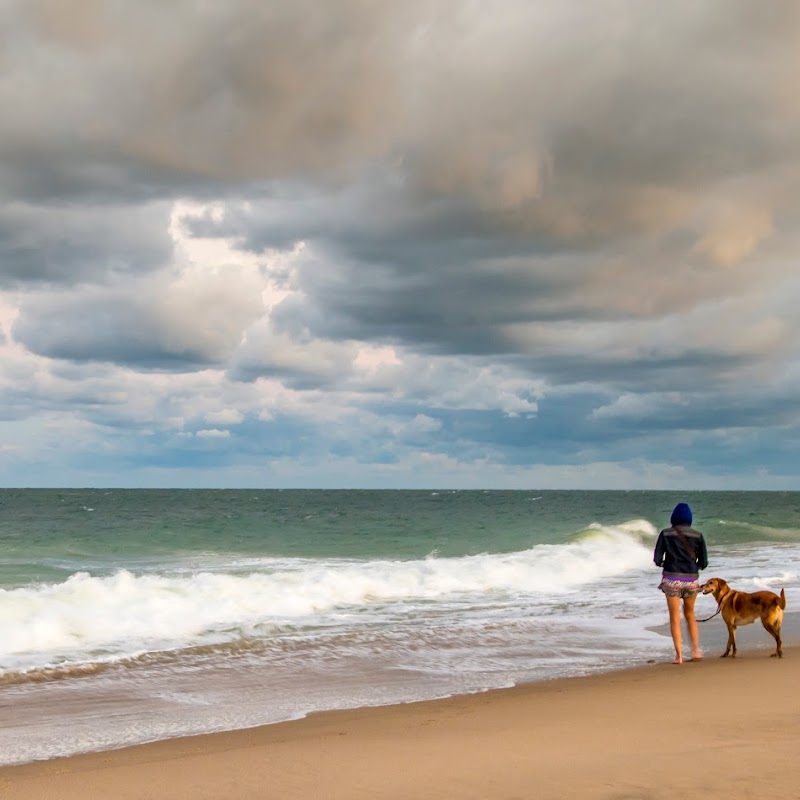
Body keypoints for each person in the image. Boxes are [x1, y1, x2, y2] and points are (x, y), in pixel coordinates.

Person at [653, 502, 708, 664]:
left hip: (671, 579)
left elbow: (657, 559)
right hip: (691, 579)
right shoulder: (698, 535)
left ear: (673, 518)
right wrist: (694, 567)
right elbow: (704, 562)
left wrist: (665, 565)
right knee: (690, 614)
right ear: (689, 518)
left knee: (674, 617)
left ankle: (679, 656)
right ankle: (696, 651)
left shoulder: (665, 534)